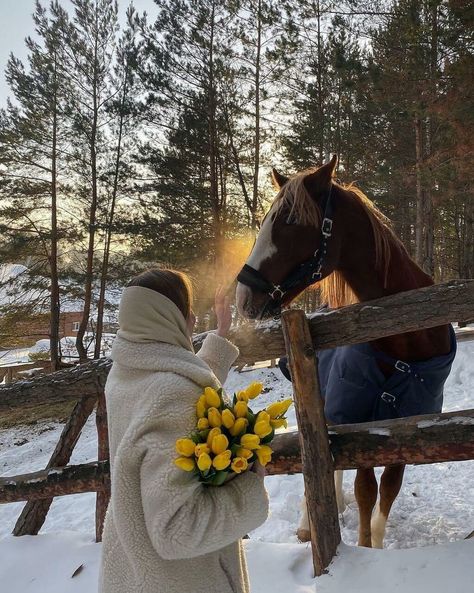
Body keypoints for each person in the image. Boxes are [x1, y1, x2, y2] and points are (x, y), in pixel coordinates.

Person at [99, 268, 269, 593]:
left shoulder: (126, 374)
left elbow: (178, 384)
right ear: (167, 316)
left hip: (132, 572)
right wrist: (248, 488)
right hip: (181, 581)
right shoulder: (173, 394)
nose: (192, 319)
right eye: (186, 309)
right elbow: (176, 532)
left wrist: (219, 337)